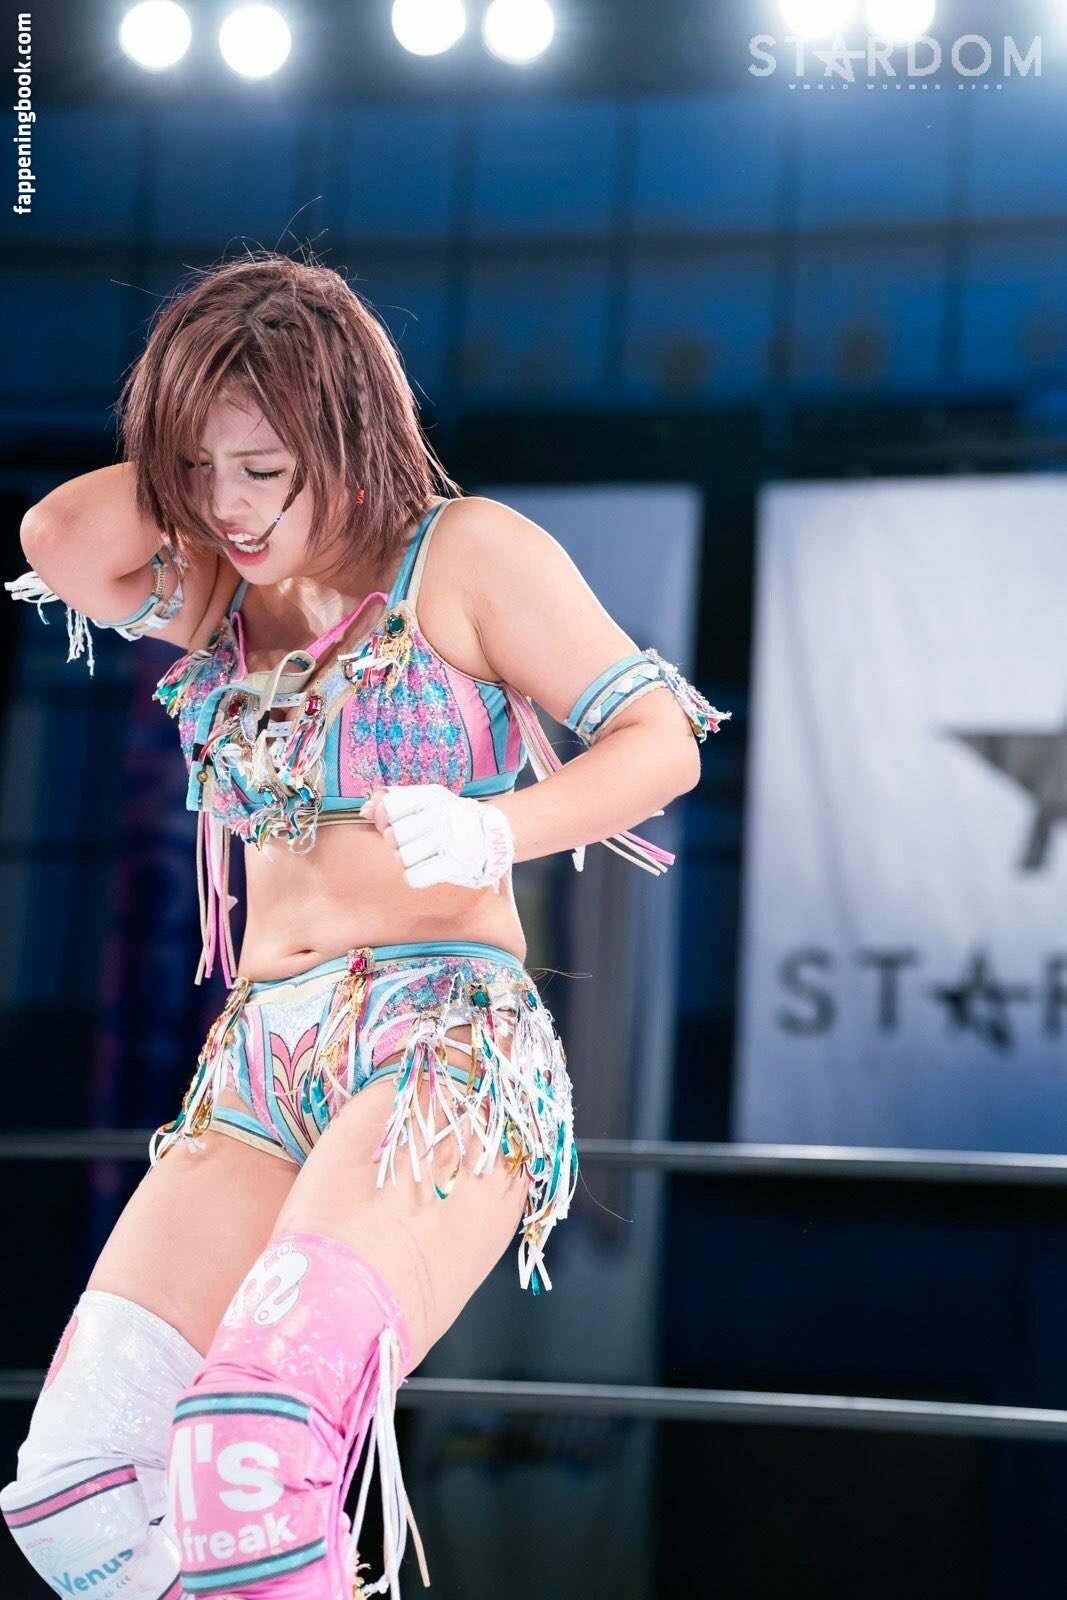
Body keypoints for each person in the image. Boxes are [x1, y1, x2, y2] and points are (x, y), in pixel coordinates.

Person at [0, 253, 730, 1600]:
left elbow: (662, 739)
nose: (228, 506)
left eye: (264, 468)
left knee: (251, 1447)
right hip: (255, 1066)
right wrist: (198, 414)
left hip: (437, 1053)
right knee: (76, 1497)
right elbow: (58, 536)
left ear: (344, 437)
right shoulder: (217, 589)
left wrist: (498, 827)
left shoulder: (468, 554)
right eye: (197, 471)